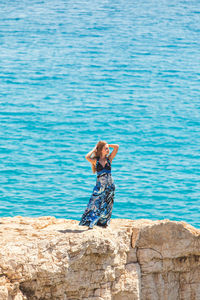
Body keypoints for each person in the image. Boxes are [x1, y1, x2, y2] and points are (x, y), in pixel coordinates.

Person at [79, 141, 119, 229]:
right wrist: (94, 149)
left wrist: (108, 144)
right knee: (94, 203)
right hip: (99, 186)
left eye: (108, 148)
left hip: (110, 186)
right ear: (101, 150)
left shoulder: (109, 159)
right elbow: (87, 157)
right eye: (106, 148)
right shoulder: (96, 161)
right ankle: (90, 222)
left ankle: (103, 223)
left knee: (108, 204)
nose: (108, 150)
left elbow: (116, 147)